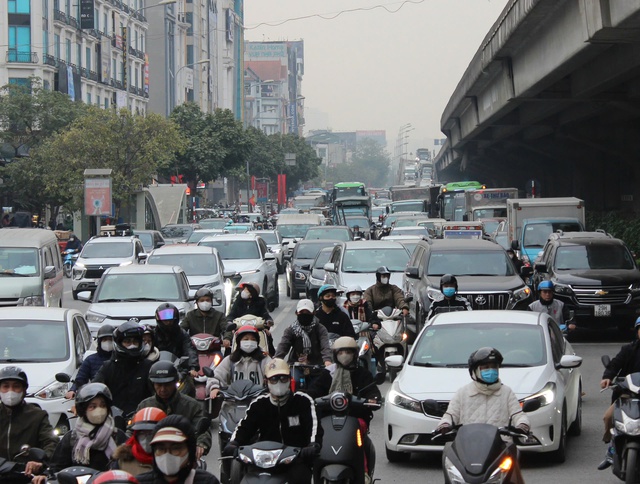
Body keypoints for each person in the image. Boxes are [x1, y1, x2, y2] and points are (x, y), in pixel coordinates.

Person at [435, 347, 529, 484]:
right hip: (468, 450)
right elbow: (450, 415)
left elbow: (518, 414)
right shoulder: (463, 393)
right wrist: (444, 425)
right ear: (474, 372)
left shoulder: (506, 392)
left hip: (500, 448)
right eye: (485, 367)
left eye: (494, 367)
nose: (490, 370)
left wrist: (523, 425)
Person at [223, 359, 322, 484]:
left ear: (290, 379)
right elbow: (244, 427)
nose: (279, 382)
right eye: (274, 379)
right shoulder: (259, 404)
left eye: (283, 378)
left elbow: (314, 428)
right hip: (263, 461)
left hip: (295, 461)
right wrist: (234, 443)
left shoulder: (303, 401)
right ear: (266, 381)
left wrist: (312, 445)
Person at [306, 337, 381, 482]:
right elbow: (313, 392)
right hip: (327, 421)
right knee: (314, 439)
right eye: (341, 352)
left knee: (359, 440)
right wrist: (307, 398)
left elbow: (373, 393)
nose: (344, 355)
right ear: (335, 354)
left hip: (356, 421)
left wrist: (372, 400)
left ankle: (363, 473)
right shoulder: (328, 374)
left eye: (348, 351)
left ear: (354, 354)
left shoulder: (362, 374)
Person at [33, 383, 127, 483]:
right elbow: (56, 468)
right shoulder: (72, 437)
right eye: (92, 406)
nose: (99, 410)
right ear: (83, 410)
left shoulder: (117, 436)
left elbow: (128, 469)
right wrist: (45, 476)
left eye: (103, 405)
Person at [136, 361, 211, 459]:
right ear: (152, 384)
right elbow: (133, 430)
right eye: (158, 385)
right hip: (150, 458)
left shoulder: (192, 406)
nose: (163, 389)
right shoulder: (144, 406)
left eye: (167, 384)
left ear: (175, 382)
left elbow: (203, 430)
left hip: (183, 456)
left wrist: (200, 444)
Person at [598, 316, 640, 470]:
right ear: (637, 332)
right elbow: (615, 364)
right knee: (608, 417)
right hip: (628, 394)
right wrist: (607, 377)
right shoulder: (628, 350)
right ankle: (611, 448)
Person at [0, 366, 58, 477]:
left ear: (24, 390)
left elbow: (51, 442)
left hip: (27, 475)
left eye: (16, 386)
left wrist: (40, 461)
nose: (10, 391)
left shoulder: (37, 416)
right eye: (5, 386)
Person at [93, 321, 155, 416]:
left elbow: (158, 394)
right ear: (119, 343)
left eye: (135, 342)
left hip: (144, 419)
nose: (132, 345)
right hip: (114, 421)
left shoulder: (148, 367)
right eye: (127, 342)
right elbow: (94, 388)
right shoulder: (108, 367)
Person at [137, 415, 219, 484]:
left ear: (189, 450)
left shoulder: (207, 481)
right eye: (161, 449)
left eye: (175, 448)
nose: (167, 454)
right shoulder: (140, 482)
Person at [207, 325, 272, 398]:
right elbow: (216, 375)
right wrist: (214, 387)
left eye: (253, 339)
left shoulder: (264, 359)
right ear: (239, 342)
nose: (249, 342)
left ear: (257, 342)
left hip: (258, 400)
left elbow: (274, 374)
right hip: (233, 401)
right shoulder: (230, 360)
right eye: (246, 339)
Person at [275, 299, 333, 368]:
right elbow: (283, 346)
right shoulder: (290, 329)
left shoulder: (320, 329)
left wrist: (327, 361)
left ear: (313, 313)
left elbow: (325, 347)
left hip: (317, 366)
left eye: (308, 312)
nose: (305, 315)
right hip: (295, 365)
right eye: (301, 312)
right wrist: (276, 360)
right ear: (296, 313)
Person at [112, 407, 167, 476]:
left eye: (151, 434)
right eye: (142, 433)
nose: (147, 439)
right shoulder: (122, 461)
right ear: (135, 435)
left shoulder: (172, 461)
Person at [66, 325, 115, 399]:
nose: (108, 342)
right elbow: (81, 379)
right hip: (96, 397)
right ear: (99, 342)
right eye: (105, 340)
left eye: (110, 339)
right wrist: (73, 390)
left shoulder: (121, 359)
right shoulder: (90, 360)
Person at [154, 303, 199, 380]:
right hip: (157, 369)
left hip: (178, 369)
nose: (168, 323)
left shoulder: (182, 334)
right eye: (165, 321)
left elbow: (189, 350)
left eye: (170, 321)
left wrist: (193, 367)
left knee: (191, 386)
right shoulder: (153, 334)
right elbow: (147, 352)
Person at [227, 282, 275, 355]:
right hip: (239, 329)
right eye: (244, 289)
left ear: (253, 293)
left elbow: (265, 314)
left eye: (247, 290)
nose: (244, 291)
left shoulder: (260, 303)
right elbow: (231, 314)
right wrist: (230, 322)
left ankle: (270, 356)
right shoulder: (238, 302)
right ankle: (228, 357)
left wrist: (268, 321)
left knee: (267, 335)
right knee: (229, 339)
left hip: (256, 329)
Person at [180, 288, 231, 352]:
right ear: (197, 302)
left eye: (207, 300)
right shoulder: (190, 315)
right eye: (202, 300)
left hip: (214, 349)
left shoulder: (219, 315)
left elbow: (227, 328)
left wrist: (227, 338)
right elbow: (182, 329)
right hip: (194, 350)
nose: (205, 302)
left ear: (211, 301)